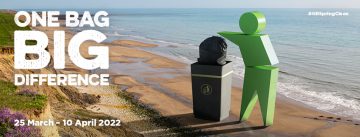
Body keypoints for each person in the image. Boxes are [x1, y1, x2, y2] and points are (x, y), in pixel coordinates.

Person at [218, 11, 279, 126]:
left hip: (254, 71)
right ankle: (261, 121)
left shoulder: (246, 38)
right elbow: (272, 60)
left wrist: (221, 33)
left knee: (251, 97)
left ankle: (246, 118)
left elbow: (229, 35)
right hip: (263, 71)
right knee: (261, 99)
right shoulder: (261, 37)